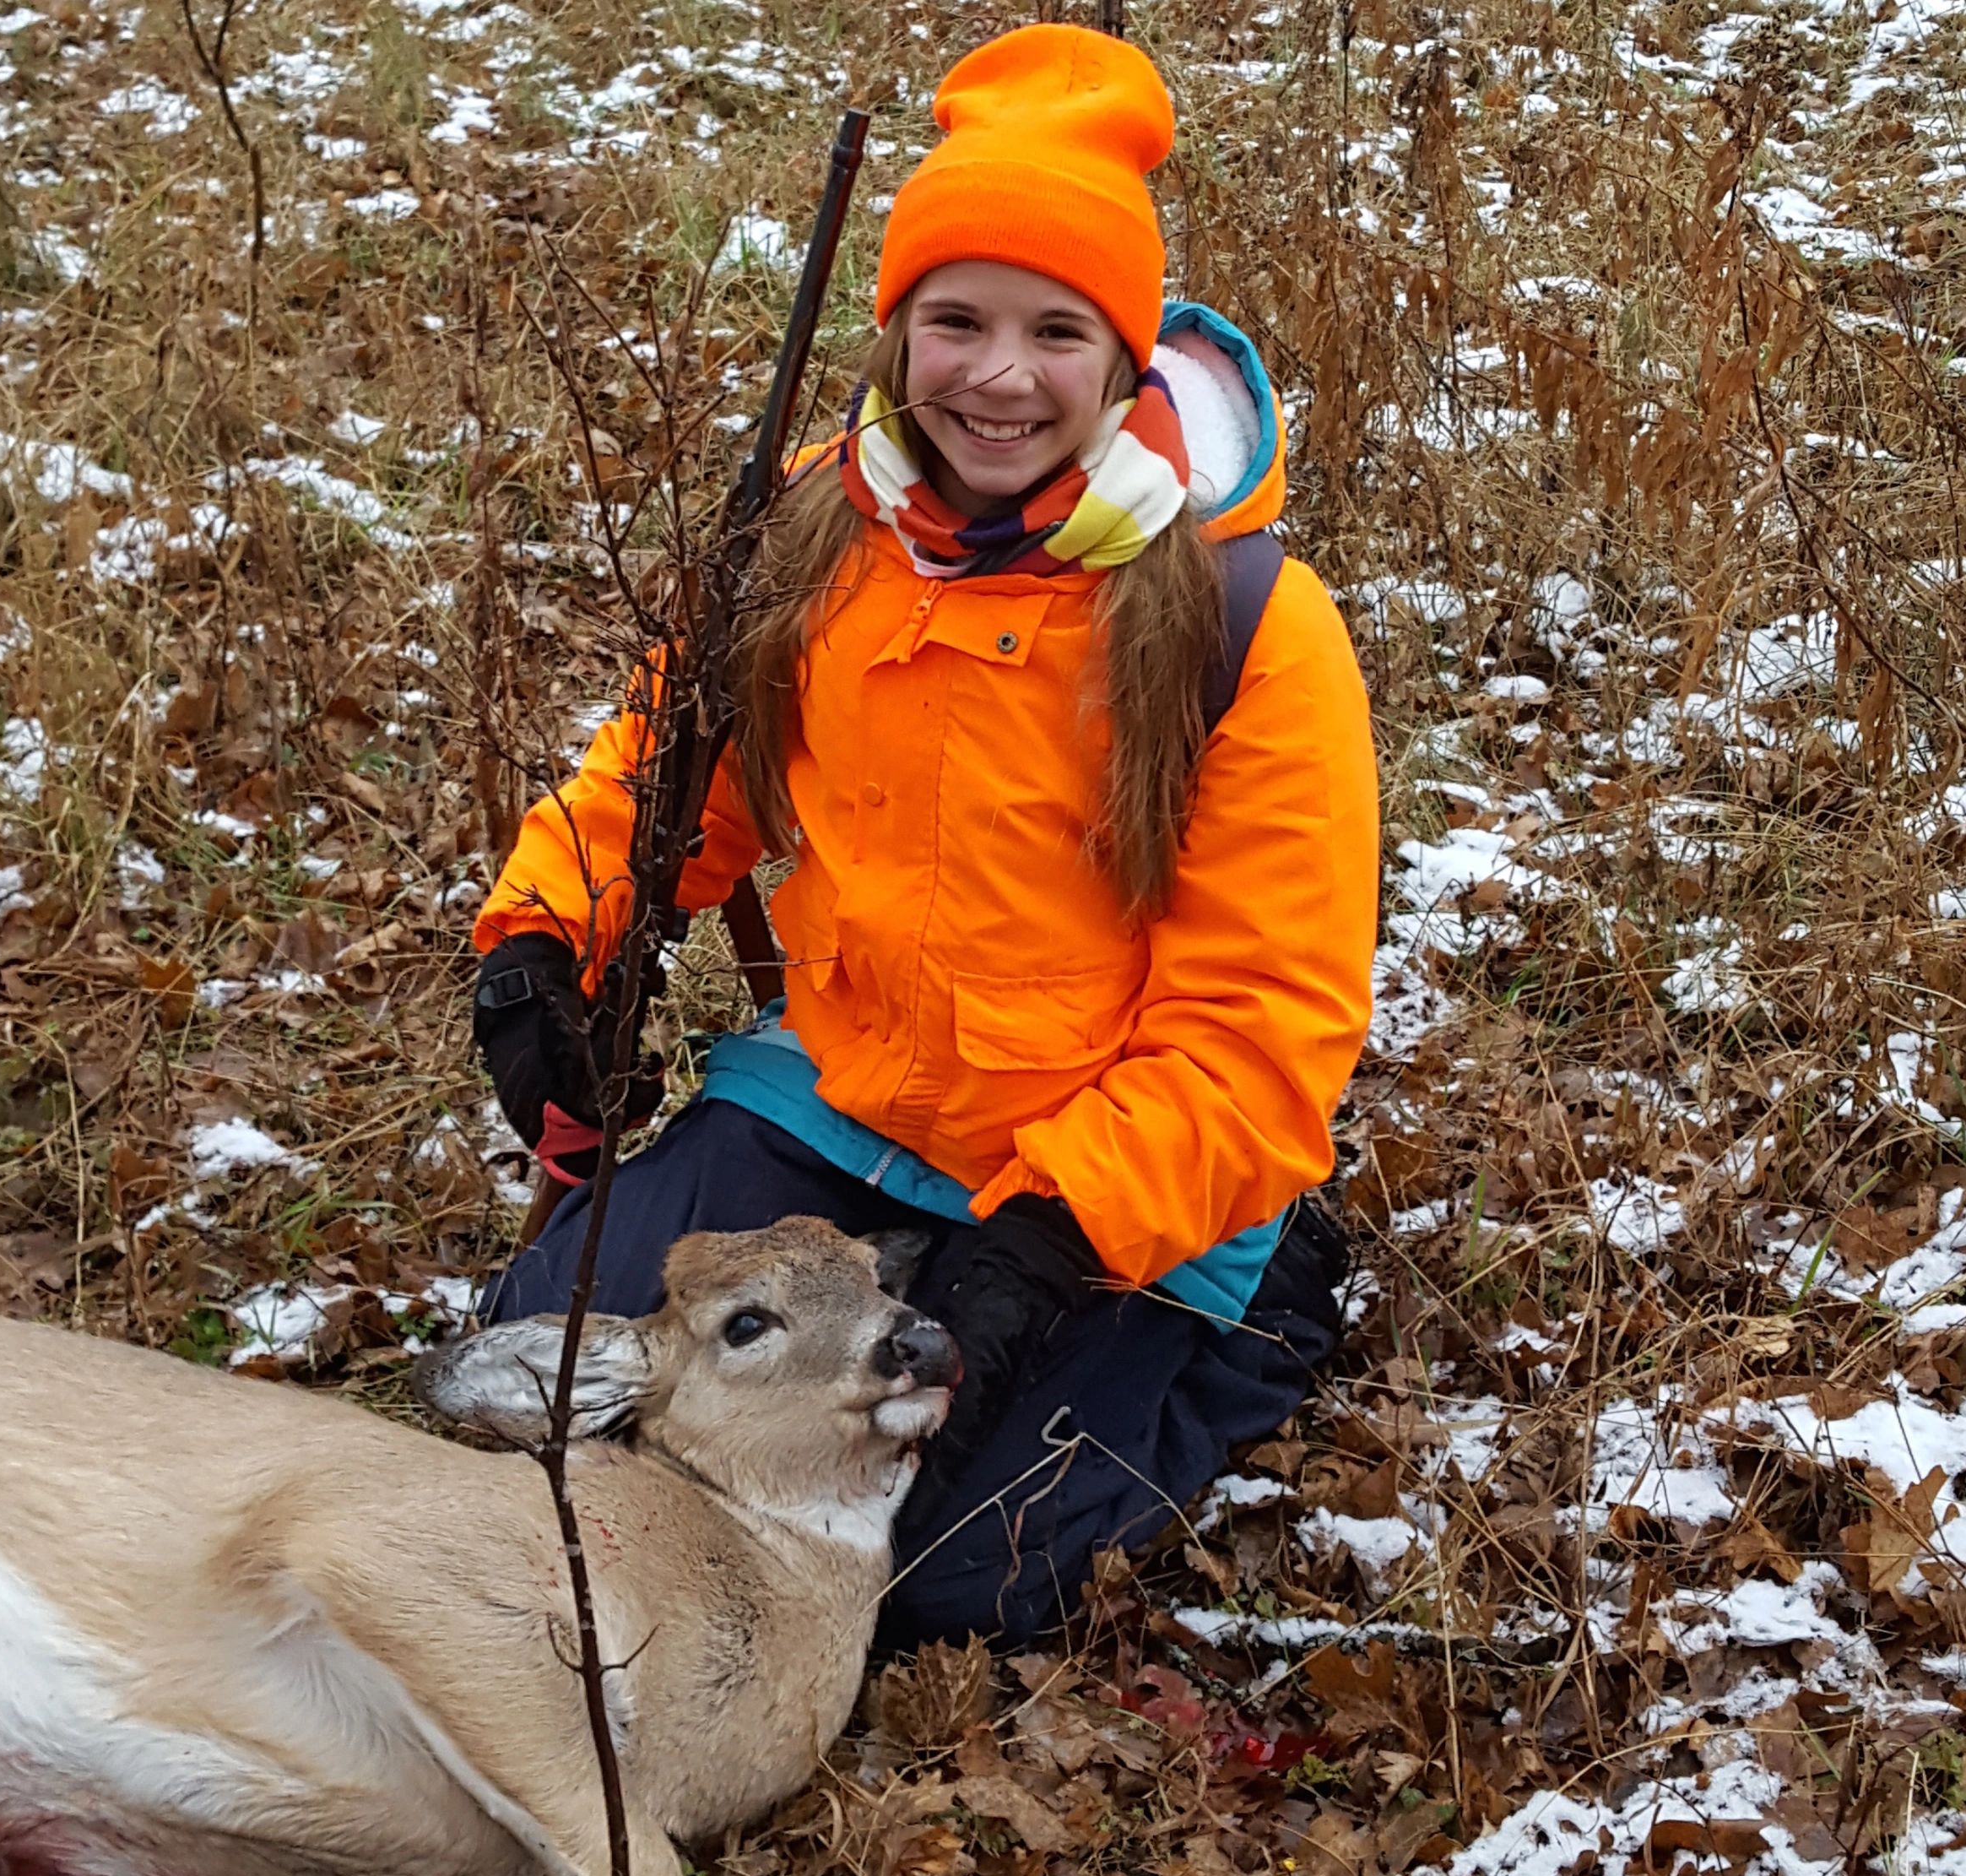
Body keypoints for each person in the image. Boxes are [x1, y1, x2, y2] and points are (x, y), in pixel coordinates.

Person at [467, 22, 1378, 1647]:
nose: (999, 378)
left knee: (931, 1566)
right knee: (534, 1376)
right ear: (896, 333)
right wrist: (545, 944)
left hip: (1103, 1195)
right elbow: (668, 776)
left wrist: (1047, 1242)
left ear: (1126, 356)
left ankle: (1259, 1314)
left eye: (1057, 330)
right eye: (956, 321)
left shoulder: (1250, 623)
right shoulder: (815, 530)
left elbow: (1260, 1027)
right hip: (847, 1103)